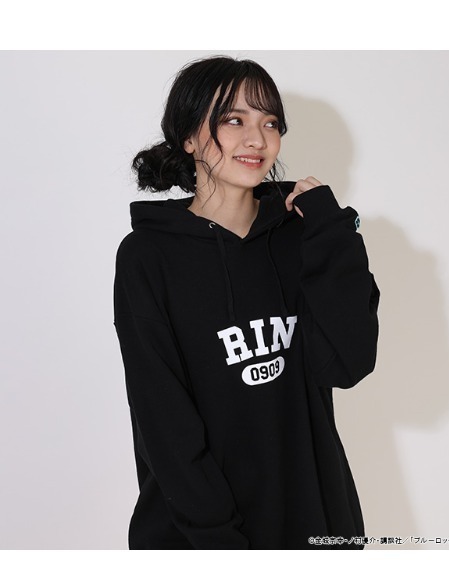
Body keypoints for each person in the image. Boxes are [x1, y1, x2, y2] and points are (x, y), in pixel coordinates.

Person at [113, 55, 380, 550]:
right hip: (200, 533)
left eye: (270, 123)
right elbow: (162, 418)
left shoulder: (303, 237)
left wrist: (331, 231)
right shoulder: (149, 256)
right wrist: (219, 541)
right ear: (189, 136)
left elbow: (348, 363)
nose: (257, 139)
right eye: (233, 120)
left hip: (313, 519)